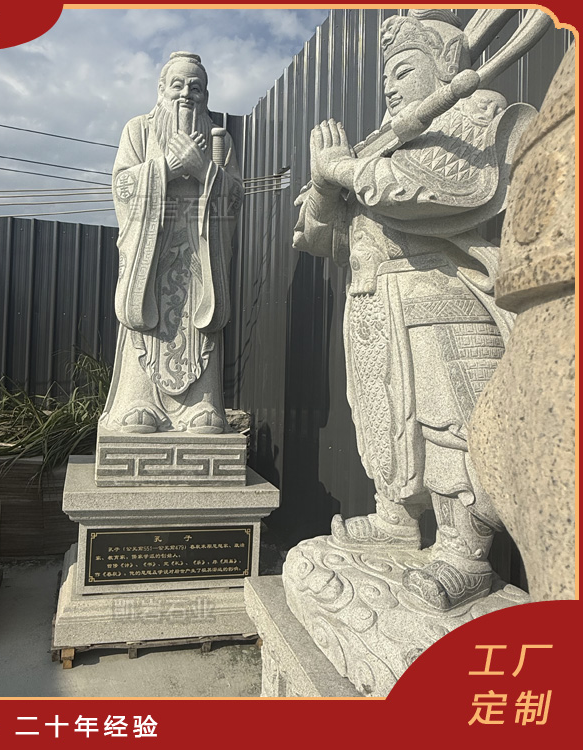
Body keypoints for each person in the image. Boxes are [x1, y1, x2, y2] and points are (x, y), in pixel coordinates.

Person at [292, 10, 534, 609]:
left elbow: (421, 192)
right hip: (376, 303)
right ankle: (395, 517)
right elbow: (316, 234)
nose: (392, 88)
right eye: (387, 78)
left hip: (440, 301)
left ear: (447, 65)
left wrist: (344, 170)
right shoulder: (385, 140)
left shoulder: (474, 117)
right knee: (383, 421)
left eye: (404, 71)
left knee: (449, 427)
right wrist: (323, 184)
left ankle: (464, 551)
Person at [99, 51, 244, 434]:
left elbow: (234, 197)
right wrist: (166, 168)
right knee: (150, 320)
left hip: (200, 253)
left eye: (195, 88)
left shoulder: (220, 140)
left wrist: (204, 171)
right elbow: (122, 185)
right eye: (177, 85)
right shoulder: (139, 130)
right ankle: (139, 400)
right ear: (161, 89)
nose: (186, 94)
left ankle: (202, 404)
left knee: (199, 321)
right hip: (151, 254)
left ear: (206, 96)